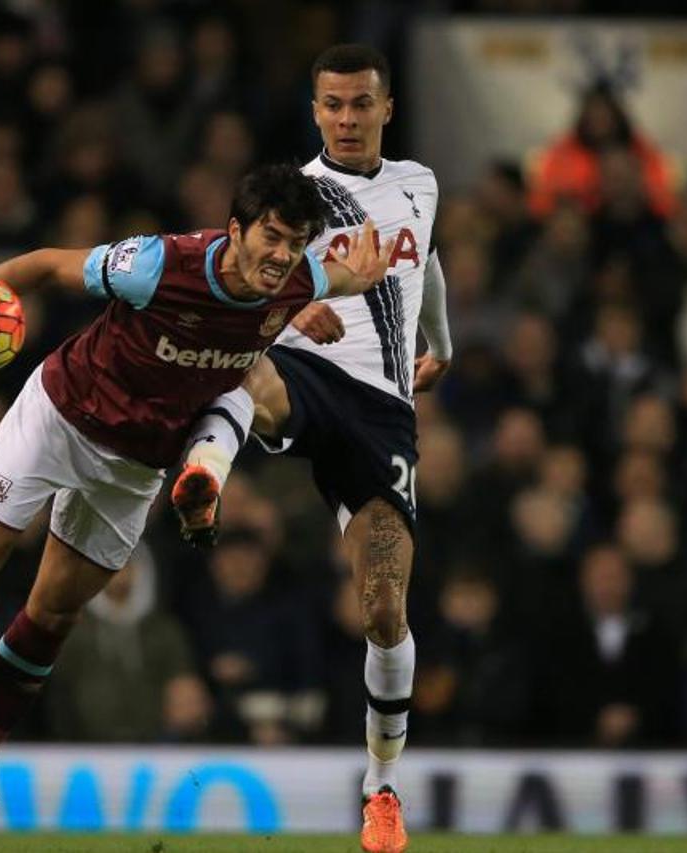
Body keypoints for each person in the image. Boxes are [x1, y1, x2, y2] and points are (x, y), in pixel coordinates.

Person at [0, 162, 392, 851]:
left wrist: (366, 275)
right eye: (273, 237)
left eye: (296, 242)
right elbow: (48, 265)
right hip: (60, 414)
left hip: (134, 466)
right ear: (236, 231)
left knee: (51, 618)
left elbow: (339, 274)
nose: (283, 254)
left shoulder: (298, 279)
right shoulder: (160, 264)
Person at [170, 45, 452, 853]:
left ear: (387, 108)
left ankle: (381, 788)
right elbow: (240, 278)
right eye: (333, 104)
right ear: (315, 110)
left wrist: (444, 343)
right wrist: (293, 311)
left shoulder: (419, 184)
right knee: (245, 366)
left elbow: (426, 258)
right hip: (307, 370)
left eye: (361, 104)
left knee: (384, 610)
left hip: (383, 412)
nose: (347, 119)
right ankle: (203, 476)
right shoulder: (294, 196)